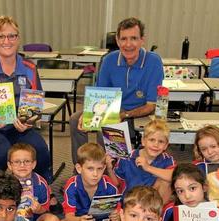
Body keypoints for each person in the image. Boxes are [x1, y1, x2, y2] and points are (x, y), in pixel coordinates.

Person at [0, 15, 52, 183]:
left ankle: (43, 190)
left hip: (19, 127)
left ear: (18, 39)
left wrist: (28, 122)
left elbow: (34, 104)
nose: (7, 41)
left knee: (41, 149)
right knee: (2, 152)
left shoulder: (29, 67)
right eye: (1, 36)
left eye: (11, 36)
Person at [69, 17, 163, 165]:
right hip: (112, 111)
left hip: (139, 115)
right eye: (123, 39)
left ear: (142, 40)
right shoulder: (109, 60)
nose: (128, 44)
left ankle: (112, 171)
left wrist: (123, 115)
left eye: (134, 38)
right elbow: (99, 96)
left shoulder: (154, 62)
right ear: (117, 41)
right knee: (76, 119)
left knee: (109, 125)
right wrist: (88, 114)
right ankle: (81, 168)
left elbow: (151, 106)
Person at [56, 142, 121, 221]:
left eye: (99, 169)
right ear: (79, 168)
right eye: (90, 169)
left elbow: (118, 211)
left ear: (104, 167)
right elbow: (69, 217)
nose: (95, 174)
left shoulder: (109, 185)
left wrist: (117, 216)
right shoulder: (72, 185)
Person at [6, 143, 62, 221]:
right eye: (17, 162)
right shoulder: (3, 183)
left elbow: (45, 209)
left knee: (53, 220)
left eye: (27, 161)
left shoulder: (40, 183)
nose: (22, 165)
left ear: (34, 164)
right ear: (9, 165)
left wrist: (39, 209)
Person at [107, 119, 175, 203]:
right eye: (152, 140)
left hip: (152, 205)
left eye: (161, 141)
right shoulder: (127, 157)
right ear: (143, 141)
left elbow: (176, 176)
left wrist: (148, 167)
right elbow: (116, 184)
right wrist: (109, 169)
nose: (156, 145)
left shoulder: (167, 160)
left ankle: (157, 213)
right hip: (130, 203)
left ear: (166, 146)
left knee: (166, 180)